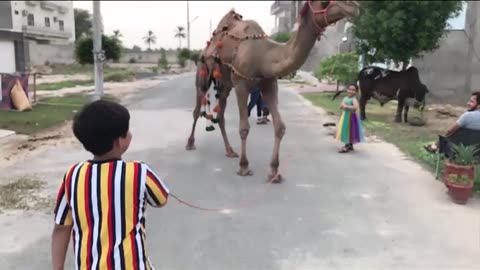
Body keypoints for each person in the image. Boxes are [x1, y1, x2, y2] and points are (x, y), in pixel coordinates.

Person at [51, 100, 169, 270]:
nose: (130, 134)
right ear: (119, 141)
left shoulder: (73, 175)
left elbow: (61, 227)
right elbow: (161, 199)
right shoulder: (138, 172)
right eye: (127, 131)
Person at [335, 83, 365, 153]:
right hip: (345, 116)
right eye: (350, 89)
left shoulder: (354, 99)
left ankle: (346, 146)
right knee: (345, 129)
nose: (351, 91)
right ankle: (350, 144)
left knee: (349, 130)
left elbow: (355, 107)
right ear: (347, 90)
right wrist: (342, 106)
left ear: (356, 92)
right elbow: (341, 105)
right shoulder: (345, 98)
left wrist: (347, 107)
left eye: (353, 90)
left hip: (351, 117)